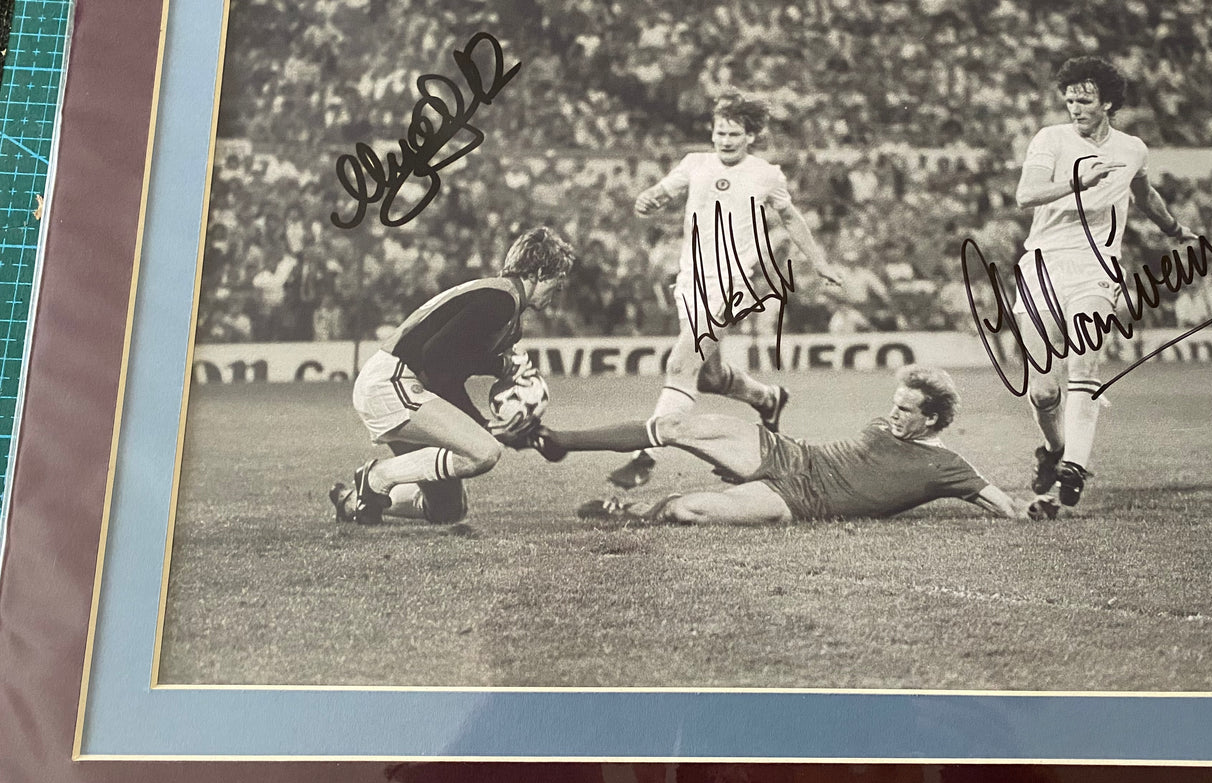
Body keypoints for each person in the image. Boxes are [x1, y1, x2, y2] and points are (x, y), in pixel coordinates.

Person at [606, 92, 841, 490]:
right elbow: (662, 192)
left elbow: (791, 217)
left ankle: (643, 458)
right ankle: (768, 399)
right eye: (720, 132)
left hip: (730, 286)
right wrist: (647, 200)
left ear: (751, 136)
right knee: (709, 377)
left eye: (734, 134)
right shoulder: (695, 163)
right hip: (689, 282)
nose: (726, 140)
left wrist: (818, 261)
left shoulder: (766, 174)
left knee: (680, 367)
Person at [1014, 56, 1198, 510]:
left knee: (1085, 367)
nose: (1075, 108)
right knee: (1042, 391)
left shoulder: (1132, 149)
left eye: (1085, 100)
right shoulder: (1050, 139)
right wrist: (1078, 181)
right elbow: (1026, 195)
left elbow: (1144, 194)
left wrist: (1174, 230)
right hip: (1042, 266)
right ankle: (1054, 451)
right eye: (1070, 100)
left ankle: (1074, 466)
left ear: (1109, 103)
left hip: (1095, 271)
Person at [531, 365, 1025, 525]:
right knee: (682, 424)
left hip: (802, 500)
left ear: (932, 419)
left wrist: (1029, 511)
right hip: (790, 454)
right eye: (894, 404)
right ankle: (562, 440)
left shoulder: (947, 467)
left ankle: (629, 510)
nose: (893, 413)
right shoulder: (884, 425)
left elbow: (1000, 502)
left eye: (905, 409)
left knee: (693, 511)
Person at [330, 226, 575, 525]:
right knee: (483, 452)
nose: (559, 292)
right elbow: (436, 359)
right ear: (538, 272)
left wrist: (506, 427)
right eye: (558, 282)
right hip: (394, 381)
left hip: (399, 384)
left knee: (447, 509)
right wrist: (487, 413)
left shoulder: (502, 304)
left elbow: (449, 367)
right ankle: (376, 477)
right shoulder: (500, 300)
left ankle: (352, 502)